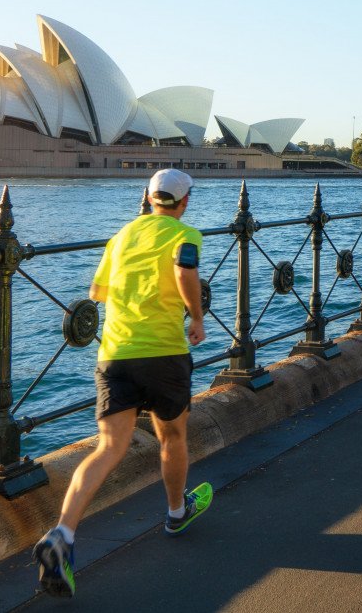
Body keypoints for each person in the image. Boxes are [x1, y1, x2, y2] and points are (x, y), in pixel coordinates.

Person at [33, 168, 212, 598]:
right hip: (164, 351)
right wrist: (196, 315)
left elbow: (97, 291)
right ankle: (175, 512)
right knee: (172, 436)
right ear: (184, 202)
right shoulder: (185, 234)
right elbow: (186, 273)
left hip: (115, 353)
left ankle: (63, 534)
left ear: (148, 198)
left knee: (109, 447)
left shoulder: (121, 237)